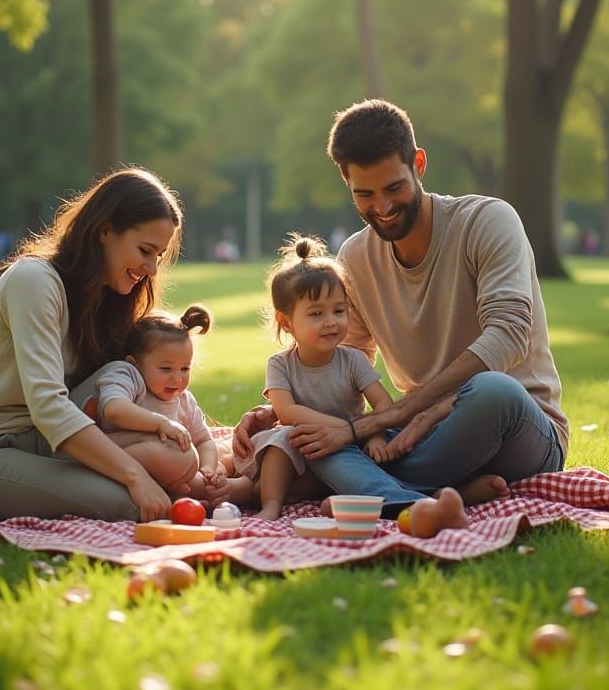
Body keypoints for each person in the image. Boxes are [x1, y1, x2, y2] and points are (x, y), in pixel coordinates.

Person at [240, 99, 569, 516]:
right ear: (347, 184)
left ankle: (366, 489)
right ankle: (417, 502)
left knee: (494, 391)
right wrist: (281, 411)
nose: (382, 206)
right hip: (420, 436)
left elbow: (509, 334)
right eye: (365, 194)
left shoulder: (487, 221)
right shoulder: (356, 256)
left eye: (394, 187)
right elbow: (346, 363)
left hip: (511, 428)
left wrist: (394, 416)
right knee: (321, 438)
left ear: (418, 163)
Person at [0, 167, 194, 523]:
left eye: (159, 256)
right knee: (135, 502)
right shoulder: (34, 281)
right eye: (145, 250)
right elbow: (49, 407)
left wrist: (214, 443)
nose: (151, 269)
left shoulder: (110, 299)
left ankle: (194, 477)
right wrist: (135, 476)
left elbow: (134, 390)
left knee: (180, 460)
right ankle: (144, 483)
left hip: (48, 445)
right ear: (105, 230)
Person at [241, 235, 393, 520]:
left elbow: (384, 405)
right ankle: (271, 505)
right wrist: (345, 427)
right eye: (316, 314)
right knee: (281, 439)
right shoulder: (280, 364)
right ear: (285, 322)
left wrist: (373, 435)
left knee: (391, 450)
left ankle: (307, 493)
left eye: (339, 310)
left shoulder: (354, 360)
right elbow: (286, 413)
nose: (331, 321)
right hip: (302, 444)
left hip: (345, 449)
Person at [69, 304, 244, 509]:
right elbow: (114, 409)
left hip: (165, 469)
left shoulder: (184, 400)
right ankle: (184, 494)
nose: (177, 378)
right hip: (104, 458)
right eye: (166, 368)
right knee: (183, 459)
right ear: (135, 363)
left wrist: (208, 469)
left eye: (185, 368)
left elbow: (204, 439)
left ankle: (248, 489)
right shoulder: (127, 375)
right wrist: (161, 424)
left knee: (208, 479)